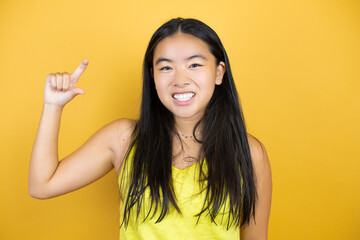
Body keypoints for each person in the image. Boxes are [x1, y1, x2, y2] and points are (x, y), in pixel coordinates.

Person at [29, 17, 272, 240]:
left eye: (194, 65)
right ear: (152, 76)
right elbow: (43, 185)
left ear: (219, 73)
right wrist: (53, 106)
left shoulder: (248, 153)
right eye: (166, 67)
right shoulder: (123, 139)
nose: (180, 79)